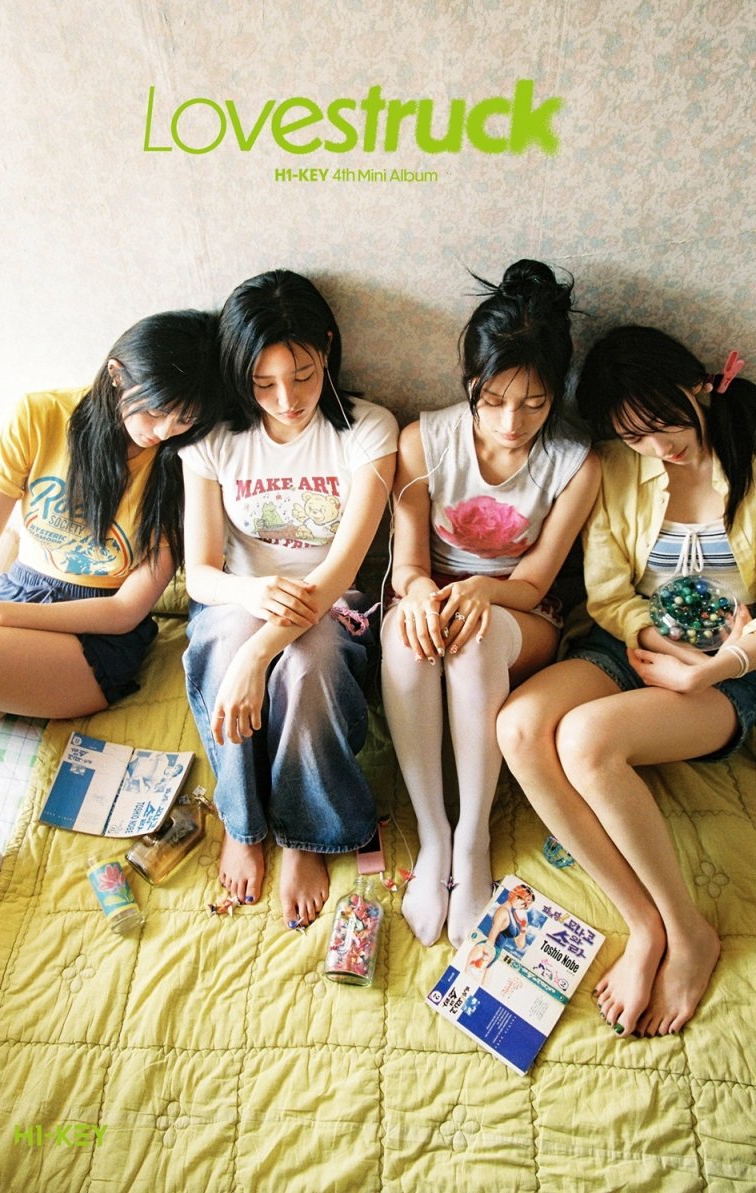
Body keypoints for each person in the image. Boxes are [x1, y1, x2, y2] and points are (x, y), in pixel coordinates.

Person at [497, 325, 756, 1038]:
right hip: (631, 645)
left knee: (587, 740)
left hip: (731, 672)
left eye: (667, 424)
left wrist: (714, 666)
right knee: (519, 727)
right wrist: (652, 642)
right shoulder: (616, 466)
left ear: (699, 386)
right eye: (635, 436)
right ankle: (644, 923)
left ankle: (688, 930)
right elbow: (609, 593)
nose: (658, 447)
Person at [0, 308, 224, 934]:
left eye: (184, 418)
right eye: (156, 410)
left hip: (95, 637)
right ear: (116, 375)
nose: (164, 431)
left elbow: (126, 609)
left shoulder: (181, 463)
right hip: (20, 595)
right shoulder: (38, 417)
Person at [380, 260, 600, 948]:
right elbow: (409, 566)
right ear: (470, 379)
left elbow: (534, 583)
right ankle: (434, 837)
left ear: (556, 392)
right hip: (432, 593)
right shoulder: (422, 441)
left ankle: (472, 840)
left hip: (521, 615)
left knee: (473, 639)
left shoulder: (575, 463)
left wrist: (482, 591)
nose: (511, 422)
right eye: (494, 399)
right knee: (408, 637)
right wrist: (424, 596)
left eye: (534, 404)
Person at [180, 270, 397, 929]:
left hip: (330, 603)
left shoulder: (367, 430)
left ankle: (306, 833)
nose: (287, 399)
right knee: (224, 642)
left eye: (302, 376)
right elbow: (199, 573)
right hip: (237, 598)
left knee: (309, 664)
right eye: (263, 382)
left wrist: (262, 654)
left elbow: (339, 570)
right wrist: (252, 599)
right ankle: (243, 821)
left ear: (327, 347)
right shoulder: (213, 439)